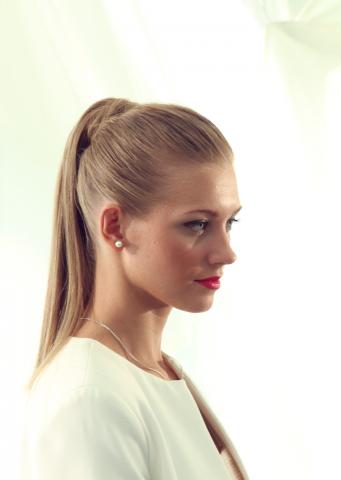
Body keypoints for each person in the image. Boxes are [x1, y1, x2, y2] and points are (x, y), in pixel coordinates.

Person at [19, 98, 249, 479]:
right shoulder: (90, 398)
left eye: (230, 223)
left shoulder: (156, 372)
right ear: (115, 226)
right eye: (197, 224)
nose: (226, 253)